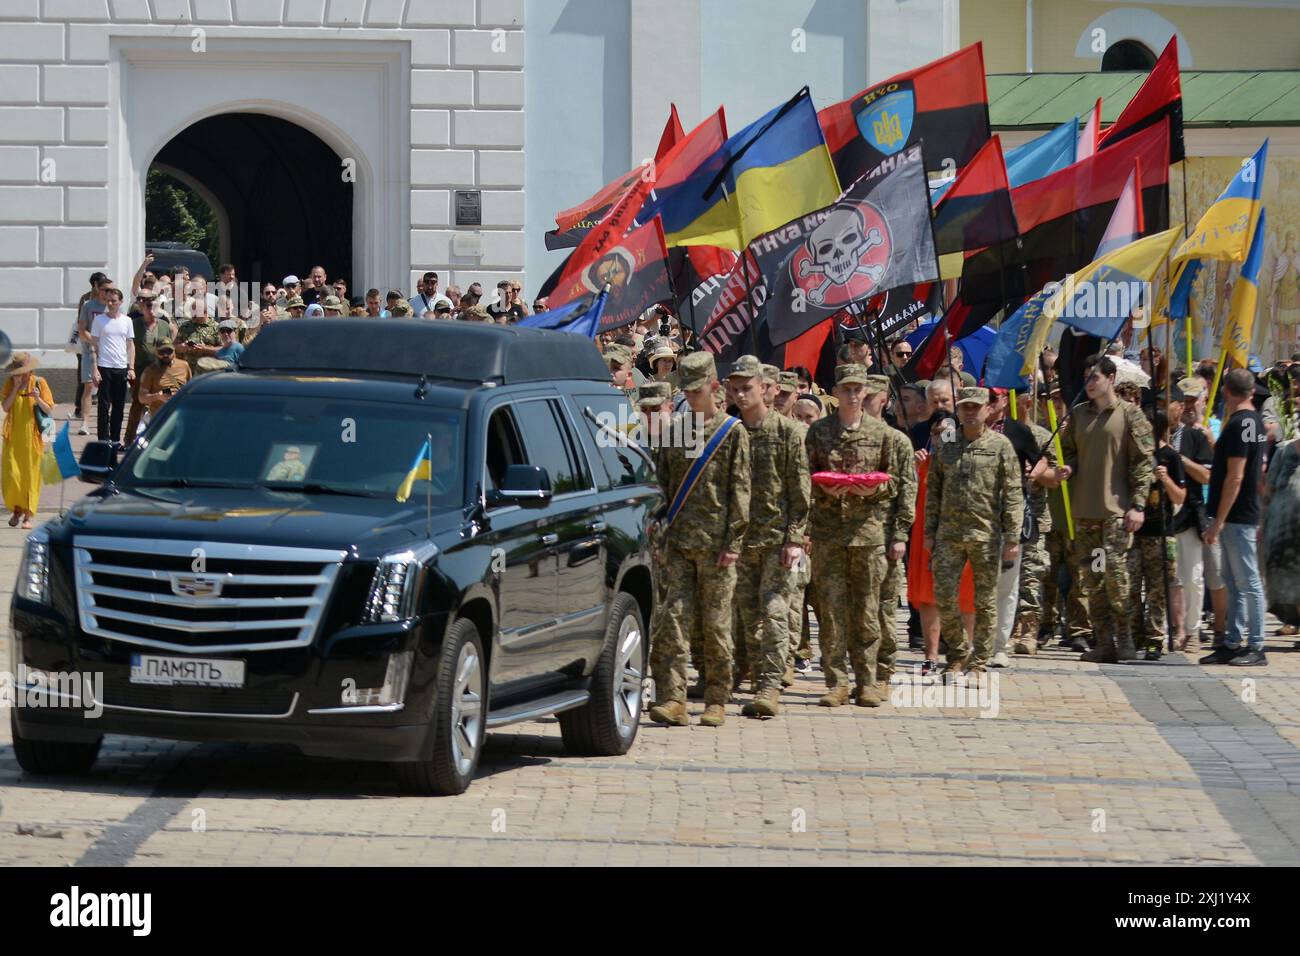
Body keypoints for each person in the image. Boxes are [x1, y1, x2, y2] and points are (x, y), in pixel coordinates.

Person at [647, 351, 750, 728]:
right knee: (672, 622)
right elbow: (661, 486)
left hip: (716, 545)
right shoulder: (673, 432)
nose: (690, 397)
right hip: (677, 543)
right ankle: (672, 698)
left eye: (696, 390)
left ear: (713, 387)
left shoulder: (731, 432)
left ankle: (716, 699)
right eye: (685, 391)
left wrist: (734, 542)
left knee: (716, 625)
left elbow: (740, 491)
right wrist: (658, 539)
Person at [805, 364, 914, 706]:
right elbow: (803, 478)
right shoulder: (819, 432)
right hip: (828, 534)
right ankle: (836, 681)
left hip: (869, 534)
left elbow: (898, 484)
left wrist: (875, 497)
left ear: (866, 392)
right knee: (831, 611)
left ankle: (867, 680)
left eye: (858, 389)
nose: (852, 395)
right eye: (846, 389)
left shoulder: (884, 436)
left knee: (868, 611)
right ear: (835, 393)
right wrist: (823, 494)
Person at [724, 356, 809, 719]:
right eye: (736, 389)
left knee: (775, 614)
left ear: (764, 388)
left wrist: (795, 538)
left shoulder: (787, 432)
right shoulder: (729, 432)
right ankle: (754, 674)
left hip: (776, 540)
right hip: (740, 543)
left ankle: (769, 686)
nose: (742, 395)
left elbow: (799, 488)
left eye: (748, 388)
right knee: (747, 616)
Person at [1058, 355, 1154, 663]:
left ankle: (1126, 638)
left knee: (1118, 579)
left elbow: (1143, 462)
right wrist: (1067, 469)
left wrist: (1138, 504)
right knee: (1092, 580)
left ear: (1110, 379)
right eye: (1086, 379)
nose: (1088, 384)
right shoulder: (1077, 415)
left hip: (1117, 511)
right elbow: (1069, 452)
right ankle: (1103, 641)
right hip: (1085, 512)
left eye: (1094, 378)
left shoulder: (1130, 415)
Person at [925, 387, 1023, 680]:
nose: (970, 412)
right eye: (965, 407)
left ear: (987, 410)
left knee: (985, 601)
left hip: (986, 535)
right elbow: (934, 491)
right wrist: (929, 531)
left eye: (975, 407)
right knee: (943, 595)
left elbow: (1013, 493)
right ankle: (957, 653)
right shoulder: (947, 445)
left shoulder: (1000, 446)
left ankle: (979, 661)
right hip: (949, 535)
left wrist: (1012, 537)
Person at [1200, 368, 1269, 667]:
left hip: (1237, 515)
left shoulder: (1242, 423)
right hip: (1241, 513)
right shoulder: (1252, 421)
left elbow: (1236, 476)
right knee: (1234, 581)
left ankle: (1256, 645)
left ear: (1226, 392)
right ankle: (1232, 641)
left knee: (1248, 581)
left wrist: (1219, 520)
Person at [863, 373, 918, 688]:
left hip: (884, 535)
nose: (864, 400)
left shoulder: (897, 440)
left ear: (883, 399)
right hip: (853, 535)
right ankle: (856, 670)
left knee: (884, 606)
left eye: (870, 395)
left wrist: (900, 534)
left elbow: (907, 490)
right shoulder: (845, 434)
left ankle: (883, 670)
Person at [1129, 409, 1186, 659]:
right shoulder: (1135, 455)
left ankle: (1154, 638)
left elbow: (1180, 497)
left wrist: (1165, 480)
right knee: (1130, 586)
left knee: (1157, 590)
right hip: (1135, 533)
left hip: (1161, 533)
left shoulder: (1171, 457)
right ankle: (1133, 634)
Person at [1, 353, 54, 529]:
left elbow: (48, 409)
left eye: (23, 371)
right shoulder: (10, 384)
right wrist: (15, 389)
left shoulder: (39, 382)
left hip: (32, 439)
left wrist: (38, 398)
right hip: (13, 439)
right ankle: (16, 509)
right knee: (12, 476)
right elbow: (6, 407)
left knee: (30, 477)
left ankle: (27, 515)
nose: (21, 374)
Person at [124, 290, 176, 440]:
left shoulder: (164, 325)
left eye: (154, 307)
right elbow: (129, 346)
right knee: (138, 403)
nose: (151, 310)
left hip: (160, 369)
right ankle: (129, 439)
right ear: (142, 309)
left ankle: (159, 437)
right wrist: (131, 368)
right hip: (141, 370)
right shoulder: (134, 325)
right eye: (147, 306)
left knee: (161, 402)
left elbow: (169, 345)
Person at [90, 286, 136, 444]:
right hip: (104, 366)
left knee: (119, 406)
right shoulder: (99, 320)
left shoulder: (127, 320)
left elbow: (130, 345)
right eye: (108, 300)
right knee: (103, 406)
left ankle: (115, 439)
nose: (110, 303)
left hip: (121, 367)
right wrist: (94, 368)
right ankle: (103, 439)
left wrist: (131, 367)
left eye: (114, 301)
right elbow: (93, 346)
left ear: (121, 302)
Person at [135, 338, 190, 418]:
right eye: (162, 352)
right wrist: (158, 396)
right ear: (156, 352)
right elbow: (142, 398)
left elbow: (190, 388)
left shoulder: (184, 366)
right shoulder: (150, 371)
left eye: (169, 352)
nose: (165, 355)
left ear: (174, 351)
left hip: (180, 414)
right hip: (160, 417)